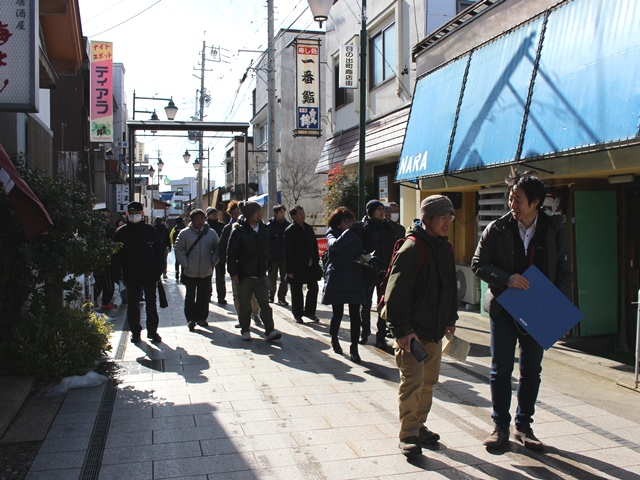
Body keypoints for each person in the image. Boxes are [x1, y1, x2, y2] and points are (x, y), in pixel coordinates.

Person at [471, 171, 572, 451]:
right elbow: (478, 264)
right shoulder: (497, 228)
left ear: (536, 202)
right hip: (504, 308)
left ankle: (524, 426)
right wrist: (506, 278)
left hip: (538, 309)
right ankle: (499, 426)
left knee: (531, 370)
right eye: (510, 198)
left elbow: (564, 272)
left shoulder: (554, 228)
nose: (511, 204)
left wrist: (559, 313)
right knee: (500, 369)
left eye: (518, 200)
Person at [382, 195, 459, 456]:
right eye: (442, 217)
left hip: (434, 331)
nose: (447, 222)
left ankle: (420, 425)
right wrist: (402, 331)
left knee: (429, 382)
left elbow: (450, 286)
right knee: (413, 383)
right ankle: (408, 434)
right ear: (427, 219)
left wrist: (450, 319)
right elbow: (395, 295)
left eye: (450, 217)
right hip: (412, 334)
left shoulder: (445, 248)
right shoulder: (413, 248)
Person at [226, 200, 282, 342]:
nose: (259, 213)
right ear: (249, 213)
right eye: (256, 211)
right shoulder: (239, 231)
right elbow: (231, 253)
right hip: (244, 275)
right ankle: (245, 329)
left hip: (261, 274)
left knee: (264, 303)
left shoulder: (264, 230)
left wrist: (267, 262)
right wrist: (233, 273)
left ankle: (270, 330)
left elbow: (268, 248)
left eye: (259, 211)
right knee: (245, 305)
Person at [113, 201, 165, 344]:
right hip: (131, 276)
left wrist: (158, 271)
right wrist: (117, 275)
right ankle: (135, 332)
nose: (134, 215)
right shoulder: (121, 233)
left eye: (137, 213)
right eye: (132, 213)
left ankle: (152, 331)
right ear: (127, 214)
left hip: (149, 274)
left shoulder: (150, 231)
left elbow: (160, 252)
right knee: (132, 305)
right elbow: (115, 256)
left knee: (151, 304)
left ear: (142, 214)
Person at [322, 207, 366, 363]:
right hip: (338, 277)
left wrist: (369, 258)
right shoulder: (331, 233)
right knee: (338, 313)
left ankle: (354, 347)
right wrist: (349, 232)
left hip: (353, 276)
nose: (349, 224)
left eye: (351, 221)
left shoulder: (353, 234)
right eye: (346, 221)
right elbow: (335, 246)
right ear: (338, 223)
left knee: (356, 315)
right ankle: (334, 338)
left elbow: (360, 251)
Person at [361, 199, 405, 349]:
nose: (382, 212)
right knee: (365, 304)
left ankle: (380, 336)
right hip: (367, 271)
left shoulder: (388, 227)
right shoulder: (362, 227)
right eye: (379, 209)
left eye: (382, 209)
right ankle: (365, 331)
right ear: (370, 211)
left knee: (383, 304)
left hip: (384, 270)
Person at [175, 209, 220, 332]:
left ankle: (202, 318)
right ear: (192, 220)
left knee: (204, 296)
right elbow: (178, 249)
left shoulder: (211, 233)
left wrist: (213, 261)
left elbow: (218, 248)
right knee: (190, 296)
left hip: (206, 270)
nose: (200, 221)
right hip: (190, 271)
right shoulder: (184, 233)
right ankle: (190, 319)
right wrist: (186, 264)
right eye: (197, 219)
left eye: (202, 218)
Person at [284, 205, 321, 324]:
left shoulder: (309, 228)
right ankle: (297, 314)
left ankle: (310, 311)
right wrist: (289, 270)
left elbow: (314, 247)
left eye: (303, 212)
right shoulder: (290, 231)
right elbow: (287, 252)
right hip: (297, 266)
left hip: (310, 264)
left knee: (313, 288)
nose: (302, 215)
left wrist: (316, 262)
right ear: (294, 216)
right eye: (299, 213)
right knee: (297, 291)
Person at [217, 201, 241, 305]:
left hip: (246, 262)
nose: (236, 215)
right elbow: (222, 246)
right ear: (230, 214)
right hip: (233, 262)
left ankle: (253, 312)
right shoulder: (227, 228)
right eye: (234, 213)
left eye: (238, 213)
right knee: (236, 291)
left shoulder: (247, 227)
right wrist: (222, 262)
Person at [267, 204, 290, 306]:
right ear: (275, 213)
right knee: (272, 278)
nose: (282, 214)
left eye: (283, 212)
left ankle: (282, 297)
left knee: (285, 278)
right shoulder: (269, 226)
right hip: (273, 257)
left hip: (284, 256)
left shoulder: (287, 226)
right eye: (280, 212)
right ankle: (271, 295)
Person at [94, 209, 117, 309]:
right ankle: (104, 300)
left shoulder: (97, 228)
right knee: (104, 281)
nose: (107, 219)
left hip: (101, 258)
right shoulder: (106, 229)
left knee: (103, 281)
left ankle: (103, 300)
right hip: (104, 259)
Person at [206, 207, 226, 303]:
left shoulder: (221, 226)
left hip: (220, 254)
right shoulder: (205, 226)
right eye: (213, 214)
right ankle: (208, 294)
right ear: (208, 215)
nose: (216, 215)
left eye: (216, 213)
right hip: (207, 254)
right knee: (207, 276)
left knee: (220, 276)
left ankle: (221, 297)